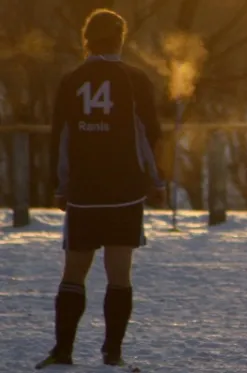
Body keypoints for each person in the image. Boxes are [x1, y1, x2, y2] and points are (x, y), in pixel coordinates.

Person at [36, 8, 165, 369]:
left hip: (84, 191)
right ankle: (113, 352)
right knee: (119, 272)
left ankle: (63, 351)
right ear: (121, 39)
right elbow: (148, 135)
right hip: (125, 190)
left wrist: (61, 185)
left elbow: (61, 137)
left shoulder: (72, 79)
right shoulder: (135, 78)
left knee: (74, 270)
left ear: (87, 39)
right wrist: (156, 181)